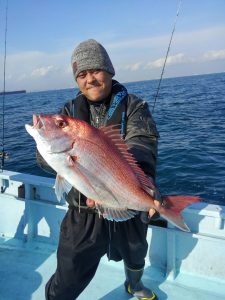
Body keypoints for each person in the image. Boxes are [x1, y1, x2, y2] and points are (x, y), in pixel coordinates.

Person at [37, 39, 161, 300]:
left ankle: (134, 284)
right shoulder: (68, 112)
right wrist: (46, 149)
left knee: (136, 250)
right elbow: (45, 159)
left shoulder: (135, 107)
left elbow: (141, 145)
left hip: (124, 197)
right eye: (82, 74)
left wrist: (146, 181)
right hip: (83, 210)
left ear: (109, 71)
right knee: (68, 272)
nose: (89, 79)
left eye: (95, 70)